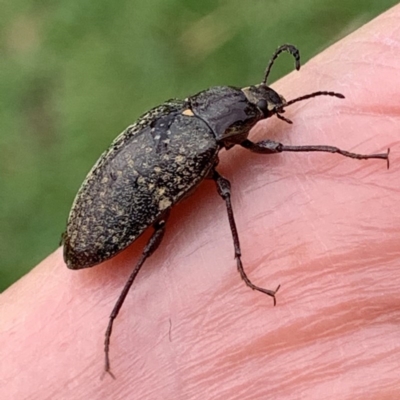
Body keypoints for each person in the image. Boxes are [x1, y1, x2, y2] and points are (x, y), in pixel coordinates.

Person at [1, 6, 400, 398]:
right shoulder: (200, 149)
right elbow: (225, 190)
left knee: (171, 224)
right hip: (100, 225)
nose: (267, 111)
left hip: (96, 202)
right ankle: (114, 319)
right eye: (262, 110)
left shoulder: (179, 114)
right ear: (236, 127)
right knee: (155, 243)